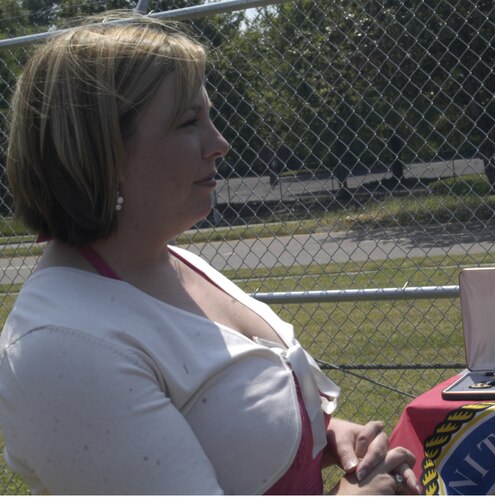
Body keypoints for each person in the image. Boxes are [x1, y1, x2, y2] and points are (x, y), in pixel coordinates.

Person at [0, 12, 418, 495]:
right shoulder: (64, 349)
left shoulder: (169, 260)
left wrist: (323, 437)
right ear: (102, 154)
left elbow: (220, 420)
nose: (220, 143)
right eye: (187, 122)